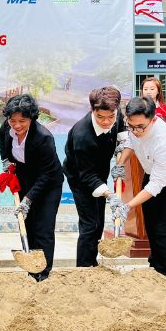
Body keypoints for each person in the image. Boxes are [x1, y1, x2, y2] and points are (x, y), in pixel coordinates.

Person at [111, 96, 166, 279]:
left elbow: (156, 185)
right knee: (151, 226)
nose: (135, 131)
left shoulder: (165, 140)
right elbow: (130, 142)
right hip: (150, 175)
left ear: (153, 119)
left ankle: (165, 276)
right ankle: (154, 269)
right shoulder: (135, 127)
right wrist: (120, 164)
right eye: (131, 126)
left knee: (163, 229)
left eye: (140, 127)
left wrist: (127, 206)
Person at [0, 94, 64, 282]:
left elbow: (47, 174)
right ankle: (31, 269)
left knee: (43, 227)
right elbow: (2, 143)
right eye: (13, 120)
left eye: (22, 121)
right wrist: (6, 161)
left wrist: (28, 199)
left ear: (32, 118)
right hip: (24, 178)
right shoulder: (6, 127)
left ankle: (43, 273)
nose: (17, 125)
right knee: (27, 225)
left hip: (48, 182)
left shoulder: (43, 138)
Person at [62, 86, 130, 267]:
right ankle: (84, 268)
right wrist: (111, 196)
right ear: (92, 110)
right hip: (80, 177)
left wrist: (121, 160)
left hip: (99, 171)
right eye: (100, 117)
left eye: (111, 116)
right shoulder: (82, 135)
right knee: (90, 224)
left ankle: (92, 263)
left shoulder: (117, 116)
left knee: (99, 222)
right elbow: (87, 176)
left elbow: (122, 131)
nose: (107, 121)